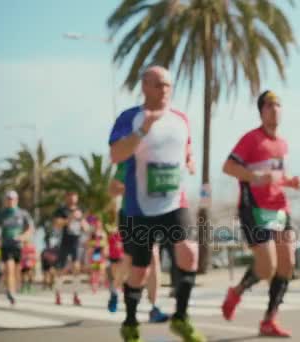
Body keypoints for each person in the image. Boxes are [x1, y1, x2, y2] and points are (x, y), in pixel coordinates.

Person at [109, 66, 203, 342]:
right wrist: (142, 131)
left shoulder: (181, 119)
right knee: (140, 270)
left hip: (175, 202)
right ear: (145, 86)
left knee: (189, 253)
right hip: (139, 207)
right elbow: (116, 154)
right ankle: (130, 322)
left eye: (168, 85)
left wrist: (189, 161)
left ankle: (181, 318)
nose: (165, 90)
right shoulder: (130, 118)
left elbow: (186, 150)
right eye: (159, 85)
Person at [221, 90, 300, 337]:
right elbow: (228, 167)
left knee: (287, 265)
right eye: (268, 105)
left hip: (279, 209)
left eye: (278, 105)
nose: (274, 109)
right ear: (261, 111)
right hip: (254, 208)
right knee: (267, 267)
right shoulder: (251, 139)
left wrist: (290, 182)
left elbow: (275, 176)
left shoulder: (282, 144)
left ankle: (269, 320)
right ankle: (236, 292)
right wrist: (255, 177)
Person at [108, 163, 170, 322]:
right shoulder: (130, 160)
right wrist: (137, 189)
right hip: (130, 215)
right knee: (129, 260)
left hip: (152, 213)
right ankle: (115, 289)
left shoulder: (158, 158)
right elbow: (113, 189)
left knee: (154, 257)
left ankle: (154, 307)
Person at [0, 190, 35, 305]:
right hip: (6, 244)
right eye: (8, 199)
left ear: (16, 200)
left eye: (12, 199)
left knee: (17, 270)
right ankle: (10, 292)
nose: (10, 201)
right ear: (5, 200)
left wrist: (23, 237)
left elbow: (30, 228)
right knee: (9, 268)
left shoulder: (23, 213)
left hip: (18, 245)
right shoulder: (1, 213)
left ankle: (12, 289)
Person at [52, 191, 89, 306]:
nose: (72, 198)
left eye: (74, 196)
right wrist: (70, 218)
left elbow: (86, 228)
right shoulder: (61, 210)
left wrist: (82, 221)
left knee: (77, 267)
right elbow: (56, 224)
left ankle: (76, 295)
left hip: (76, 242)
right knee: (60, 269)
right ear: (66, 197)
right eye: (70, 196)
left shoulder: (81, 210)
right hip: (64, 241)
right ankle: (58, 294)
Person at [86, 215, 107, 294]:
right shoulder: (92, 233)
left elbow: (106, 243)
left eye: (99, 223)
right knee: (94, 270)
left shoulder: (103, 233)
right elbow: (88, 243)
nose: (98, 225)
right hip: (94, 253)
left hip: (101, 252)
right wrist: (90, 248)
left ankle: (98, 283)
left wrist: (105, 250)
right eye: (96, 223)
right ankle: (94, 285)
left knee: (101, 269)